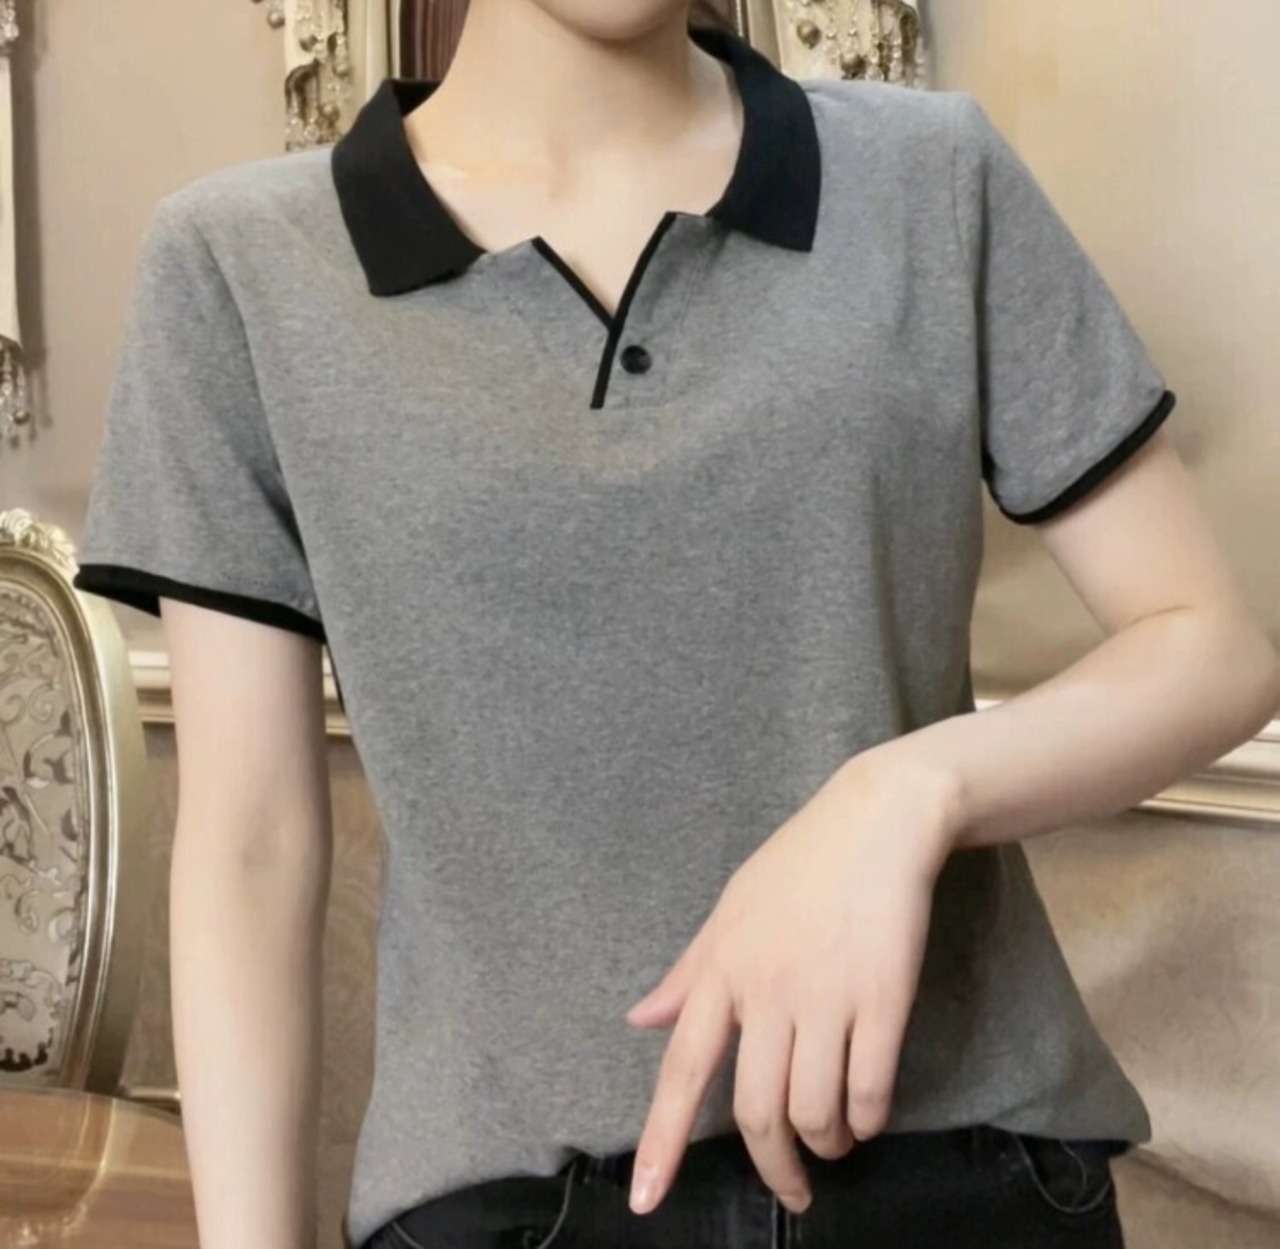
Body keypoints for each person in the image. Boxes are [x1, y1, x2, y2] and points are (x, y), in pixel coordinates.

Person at [71, 2, 1280, 1247]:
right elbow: (251, 845)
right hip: (515, 1205)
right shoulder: (239, 264)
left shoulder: (931, 177)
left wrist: (903, 792)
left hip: (963, 1175)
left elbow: (1207, 645)